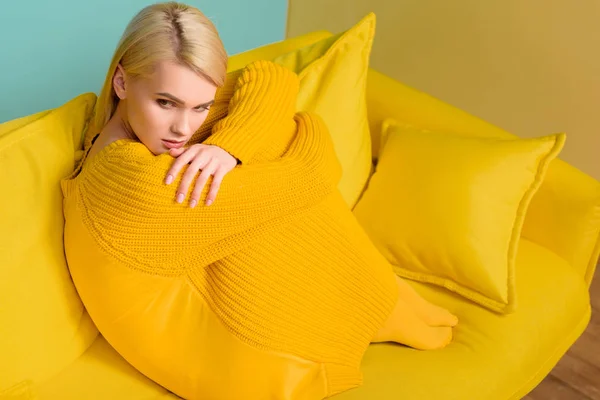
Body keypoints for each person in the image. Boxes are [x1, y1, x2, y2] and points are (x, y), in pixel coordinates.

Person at [61, 2, 458, 399]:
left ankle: (377, 298)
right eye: (165, 102)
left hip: (218, 309)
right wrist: (302, 136)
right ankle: (376, 300)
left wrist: (230, 146)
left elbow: (269, 77)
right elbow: (313, 170)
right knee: (272, 150)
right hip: (248, 362)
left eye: (200, 106)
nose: (183, 128)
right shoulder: (133, 184)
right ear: (122, 83)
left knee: (241, 152)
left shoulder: (135, 133)